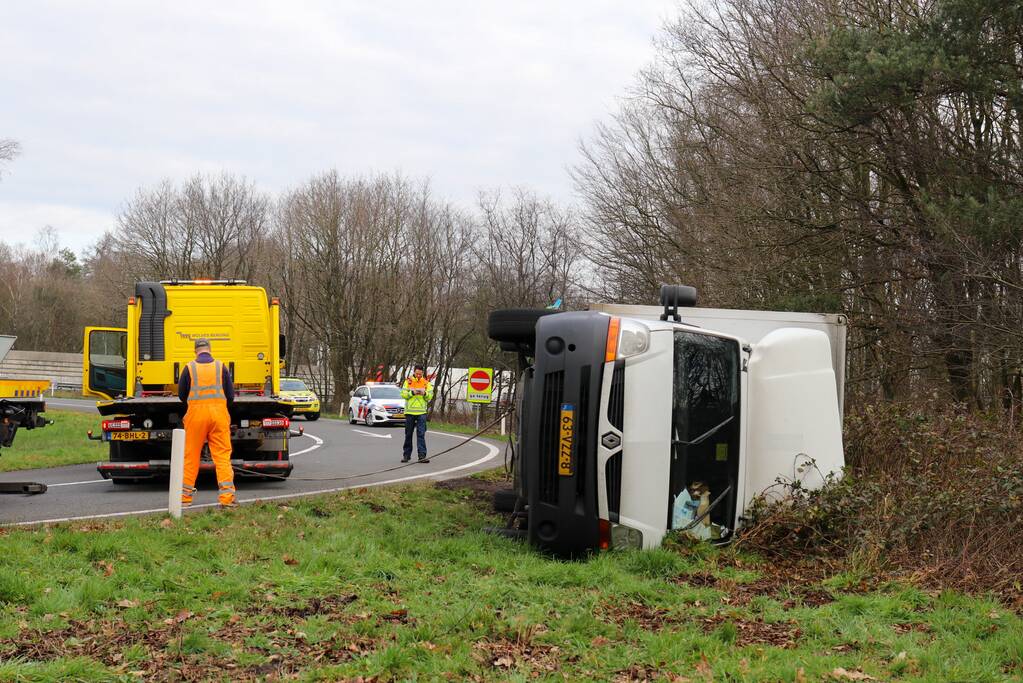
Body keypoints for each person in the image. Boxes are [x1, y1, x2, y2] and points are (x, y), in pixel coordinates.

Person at [177, 338, 236, 508]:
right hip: (218, 415)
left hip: (196, 416)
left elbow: (182, 395)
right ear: (210, 350)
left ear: (195, 351)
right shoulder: (220, 366)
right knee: (222, 456)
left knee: (191, 456)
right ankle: (227, 498)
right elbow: (230, 396)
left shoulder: (189, 368)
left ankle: (184, 498)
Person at [401, 364, 433, 463]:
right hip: (410, 412)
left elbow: (430, 396)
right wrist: (412, 393)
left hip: (421, 412)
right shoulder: (408, 381)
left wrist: (425, 394)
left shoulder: (426, 383)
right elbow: (403, 394)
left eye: (420, 374)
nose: (418, 375)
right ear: (414, 372)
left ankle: (422, 456)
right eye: (417, 373)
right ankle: (406, 456)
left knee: (421, 434)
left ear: (422, 373)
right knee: (408, 434)